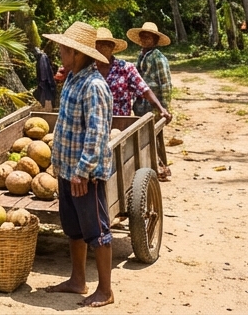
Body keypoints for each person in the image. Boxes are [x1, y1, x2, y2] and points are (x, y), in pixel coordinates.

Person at [43, 21, 115, 308]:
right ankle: (77, 280)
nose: (60, 53)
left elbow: (97, 134)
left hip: (85, 174)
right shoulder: (73, 78)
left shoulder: (94, 86)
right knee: (73, 228)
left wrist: (82, 171)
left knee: (97, 231)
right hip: (67, 169)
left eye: (64, 49)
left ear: (77, 53)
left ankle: (105, 290)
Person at [127, 21, 176, 179]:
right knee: (144, 137)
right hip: (140, 104)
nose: (145, 40)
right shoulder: (141, 55)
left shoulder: (158, 58)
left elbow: (166, 84)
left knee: (153, 136)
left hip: (154, 106)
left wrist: (165, 108)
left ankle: (160, 167)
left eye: (148, 37)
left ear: (155, 40)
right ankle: (151, 166)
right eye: (143, 37)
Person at [95, 27, 172, 125]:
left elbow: (146, 89)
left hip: (120, 123)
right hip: (96, 121)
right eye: (97, 45)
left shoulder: (125, 68)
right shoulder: (88, 70)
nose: (100, 48)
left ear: (112, 47)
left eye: (104, 45)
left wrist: (162, 108)